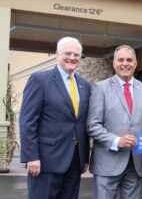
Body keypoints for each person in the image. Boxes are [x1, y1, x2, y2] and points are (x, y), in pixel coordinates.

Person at [19, 36, 90, 199]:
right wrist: (31, 157)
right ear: (57, 54)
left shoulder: (84, 85)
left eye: (77, 55)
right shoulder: (40, 79)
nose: (72, 58)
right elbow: (28, 121)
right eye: (68, 53)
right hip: (45, 161)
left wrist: (85, 157)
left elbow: (82, 123)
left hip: (74, 161)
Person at [87, 45, 142, 199]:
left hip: (135, 165)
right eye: (121, 60)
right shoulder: (100, 88)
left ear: (135, 64)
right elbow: (92, 125)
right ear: (114, 63)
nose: (125, 63)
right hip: (107, 164)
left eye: (129, 60)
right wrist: (117, 140)